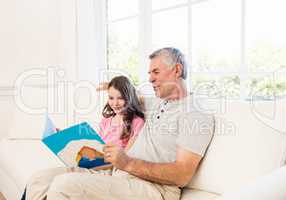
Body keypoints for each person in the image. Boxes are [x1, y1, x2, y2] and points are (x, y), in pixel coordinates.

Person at [24, 47, 215, 200]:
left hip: (154, 189)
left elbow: (182, 174)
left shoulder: (195, 113)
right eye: (149, 73)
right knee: (39, 180)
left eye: (155, 71)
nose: (150, 78)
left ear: (177, 70)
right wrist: (113, 86)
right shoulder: (157, 101)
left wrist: (128, 162)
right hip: (118, 174)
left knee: (64, 186)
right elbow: (129, 96)